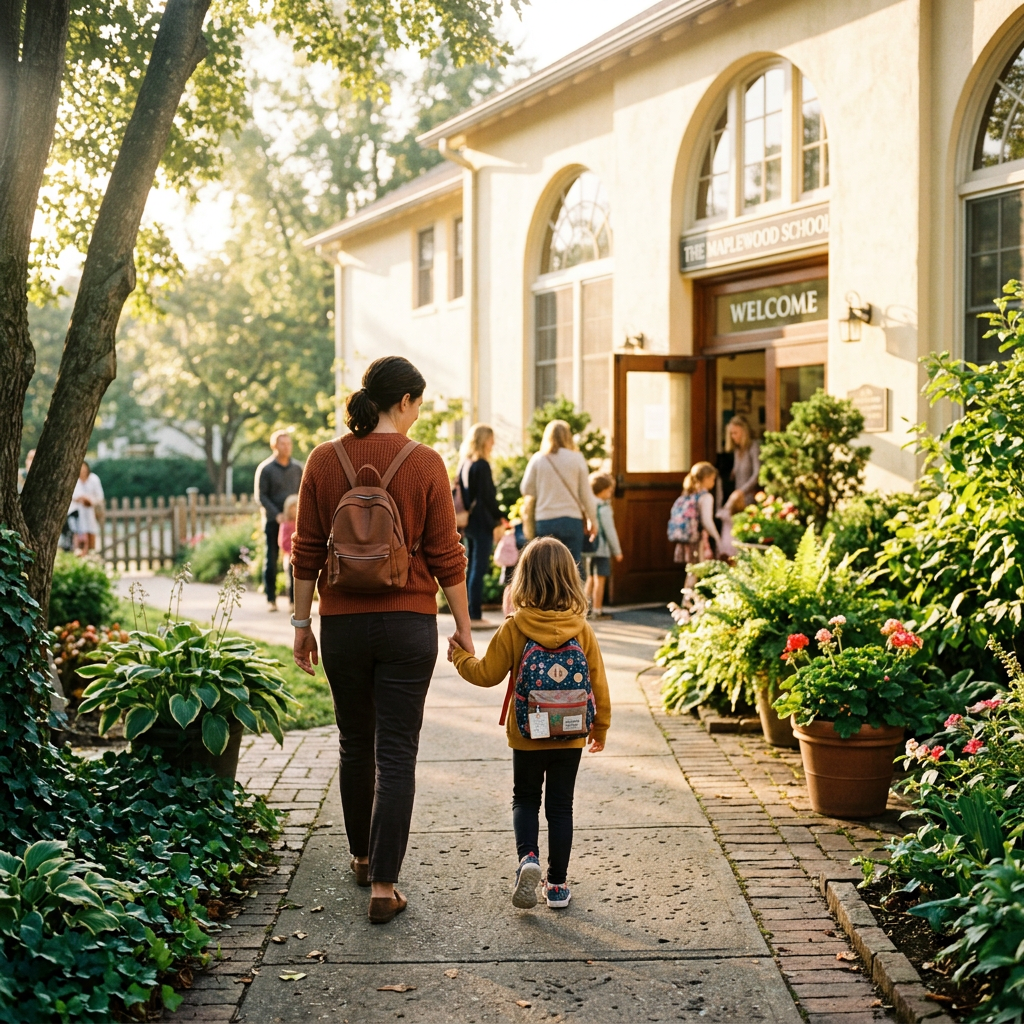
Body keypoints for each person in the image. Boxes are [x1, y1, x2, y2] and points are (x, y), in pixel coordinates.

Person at [290, 355, 471, 925]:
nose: (418, 415)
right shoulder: (425, 464)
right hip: (407, 624)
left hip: (342, 623)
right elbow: (447, 553)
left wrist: (301, 624)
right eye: (419, 404)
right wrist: (464, 625)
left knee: (354, 742)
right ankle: (385, 887)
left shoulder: (323, 459)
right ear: (405, 402)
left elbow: (307, 550)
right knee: (396, 752)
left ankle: (364, 858)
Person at [448, 537, 611, 911]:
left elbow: (486, 674)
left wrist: (459, 657)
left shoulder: (515, 626)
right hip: (570, 734)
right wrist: (599, 728)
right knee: (561, 807)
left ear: (523, 579)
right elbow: (598, 683)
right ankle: (556, 885)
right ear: (571, 579)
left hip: (527, 733)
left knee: (525, 798)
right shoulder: (582, 629)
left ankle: (528, 859)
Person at [521, 420, 597, 577]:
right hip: (571, 520)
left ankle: (548, 601)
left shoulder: (538, 459)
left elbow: (526, 488)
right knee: (573, 566)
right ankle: (575, 601)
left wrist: (544, 489)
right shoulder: (577, 458)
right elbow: (586, 495)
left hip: (545, 520)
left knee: (545, 567)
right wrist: (593, 521)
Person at [457, 423, 508, 629]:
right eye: (491, 438)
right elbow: (488, 498)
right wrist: (501, 517)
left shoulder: (465, 464)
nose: (493, 443)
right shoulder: (482, 465)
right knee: (479, 568)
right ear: (484, 440)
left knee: (470, 568)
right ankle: (475, 613)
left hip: (468, 521)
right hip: (482, 522)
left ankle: (469, 611)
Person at [255, 430, 303, 612]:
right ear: (274, 446)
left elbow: (303, 493)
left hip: (293, 522)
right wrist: (277, 515)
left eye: (289, 443)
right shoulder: (266, 469)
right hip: (273, 521)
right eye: (283, 444)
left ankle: (293, 601)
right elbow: (261, 496)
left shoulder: (297, 468)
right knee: (271, 559)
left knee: (294, 560)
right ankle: (271, 599)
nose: (287, 447)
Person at [672, 462, 722, 581]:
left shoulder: (689, 493)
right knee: (698, 570)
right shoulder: (706, 497)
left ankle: (688, 598)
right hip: (698, 538)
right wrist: (717, 537)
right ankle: (690, 598)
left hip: (687, 537)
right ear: (706, 478)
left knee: (692, 569)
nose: (713, 483)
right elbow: (707, 521)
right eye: (712, 479)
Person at [584, 472, 622, 620]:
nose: (611, 493)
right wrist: (617, 551)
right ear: (603, 490)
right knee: (600, 578)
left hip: (590, 548)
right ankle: (597, 610)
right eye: (610, 490)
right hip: (602, 548)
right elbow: (609, 531)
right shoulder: (603, 507)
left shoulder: (589, 504)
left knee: (590, 578)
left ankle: (584, 609)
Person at [725, 415, 760, 506]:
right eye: (731, 433)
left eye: (735, 433)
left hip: (750, 497)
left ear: (744, 432)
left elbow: (757, 473)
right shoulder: (737, 450)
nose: (733, 436)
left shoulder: (753, 447)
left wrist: (741, 491)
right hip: (738, 498)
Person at [70, 462, 104, 554]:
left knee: (91, 532)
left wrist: (90, 501)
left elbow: (100, 496)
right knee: (77, 535)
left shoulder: (94, 479)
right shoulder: (73, 479)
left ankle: (91, 554)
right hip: (76, 512)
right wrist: (80, 498)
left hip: (90, 511)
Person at [278, 494, 298, 613]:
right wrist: (291, 551)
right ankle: (291, 602)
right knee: (291, 580)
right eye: (292, 507)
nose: (294, 509)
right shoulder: (285, 524)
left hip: (300, 555)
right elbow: (283, 541)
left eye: (296, 506)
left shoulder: (301, 522)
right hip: (290, 556)